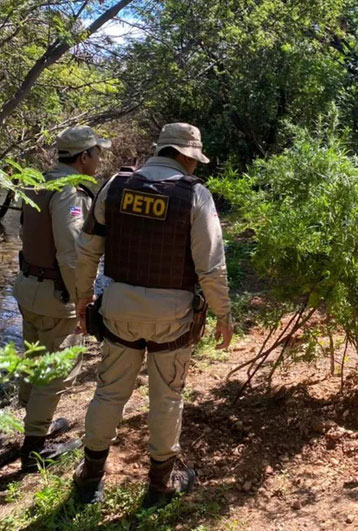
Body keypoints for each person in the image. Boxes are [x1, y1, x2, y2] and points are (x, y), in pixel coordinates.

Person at [73, 122, 233, 506]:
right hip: (172, 317)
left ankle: (91, 479)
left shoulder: (114, 186)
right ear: (185, 156)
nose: (195, 167)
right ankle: (160, 486)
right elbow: (211, 267)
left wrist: (82, 300)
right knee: (167, 398)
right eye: (195, 160)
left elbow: (87, 251)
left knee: (109, 393)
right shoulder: (195, 195)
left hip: (118, 310)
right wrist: (223, 314)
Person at [12, 126, 110, 472]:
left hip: (28, 288)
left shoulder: (38, 182)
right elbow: (71, 254)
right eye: (97, 153)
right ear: (84, 157)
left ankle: (33, 424)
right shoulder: (70, 192)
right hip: (56, 295)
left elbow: (22, 233)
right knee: (56, 371)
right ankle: (35, 447)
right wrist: (83, 299)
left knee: (34, 357)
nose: (100, 159)